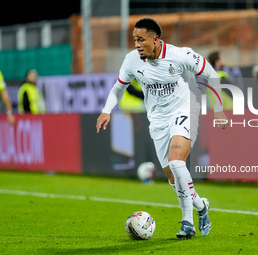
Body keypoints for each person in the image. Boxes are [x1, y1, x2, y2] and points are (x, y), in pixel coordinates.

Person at [97, 18, 228, 239]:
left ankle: (187, 223)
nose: (137, 44)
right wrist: (107, 109)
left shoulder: (180, 55)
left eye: (141, 39)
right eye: (134, 40)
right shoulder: (132, 61)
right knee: (172, 176)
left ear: (155, 39)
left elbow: (211, 74)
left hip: (183, 111)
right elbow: (119, 87)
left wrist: (219, 109)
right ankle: (201, 206)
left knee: (177, 162)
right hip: (157, 120)